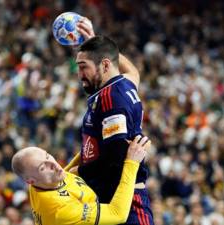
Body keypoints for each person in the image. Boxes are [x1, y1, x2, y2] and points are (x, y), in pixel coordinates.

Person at [65, 18, 154, 225]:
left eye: (83, 67)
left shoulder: (110, 98)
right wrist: (97, 41)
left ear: (105, 64)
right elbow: (134, 71)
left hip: (123, 201)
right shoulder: (124, 83)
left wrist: (78, 172)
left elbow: (115, 157)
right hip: (109, 197)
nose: (79, 75)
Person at [11, 135, 151, 225]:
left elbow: (66, 173)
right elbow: (117, 214)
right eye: (43, 167)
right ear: (31, 181)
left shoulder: (40, 183)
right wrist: (132, 162)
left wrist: (92, 139)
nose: (54, 165)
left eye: (47, 156)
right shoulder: (59, 210)